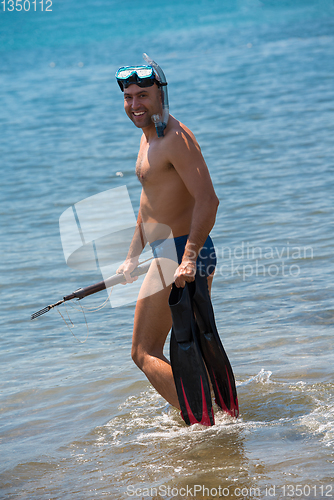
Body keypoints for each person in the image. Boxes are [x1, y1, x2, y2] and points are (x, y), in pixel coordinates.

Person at [115, 58, 219, 411]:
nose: (134, 104)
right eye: (128, 97)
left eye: (142, 95)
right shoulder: (150, 139)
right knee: (189, 346)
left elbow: (208, 200)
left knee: (143, 351)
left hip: (179, 254)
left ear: (161, 94)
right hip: (172, 252)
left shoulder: (175, 138)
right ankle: (211, 414)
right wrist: (132, 256)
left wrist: (188, 259)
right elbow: (150, 207)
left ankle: (201, 421)